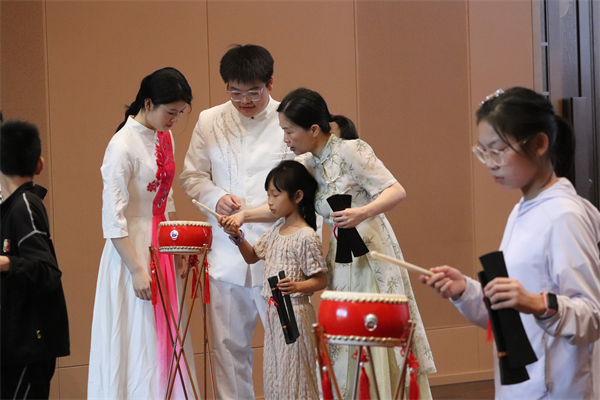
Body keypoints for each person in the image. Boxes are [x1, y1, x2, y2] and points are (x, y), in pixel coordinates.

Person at [233, 88, 435, 399]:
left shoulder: (352, 150)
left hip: (371, 252)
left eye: (290, 131)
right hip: (341, 257)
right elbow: (281, 203)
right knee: (345, 332)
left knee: (373, 325)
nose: (286, 139)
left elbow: (396, 191)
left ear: (314, 129)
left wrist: (362, 212)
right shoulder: (307, 164)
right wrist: (244, 215)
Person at [421, 87, 600, 399]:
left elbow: (592, 316)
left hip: (556, 387)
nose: (490, 163)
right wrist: (466, 291)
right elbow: (512, 312)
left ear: (540, 143)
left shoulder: (564, 215)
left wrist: (539, 303)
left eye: (498, 150)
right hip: (522, 382)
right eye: (483, 152)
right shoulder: (523, 209)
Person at [179, 44, 293, 399]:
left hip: (278, 253)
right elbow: (192, 176)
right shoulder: (210, 120)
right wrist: (216, 197)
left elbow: (305, 186)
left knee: (288, 347)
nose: (244, 101)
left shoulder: (289, 120)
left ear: (270, 83)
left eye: (253, 92)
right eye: (235, 92)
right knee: (227, 350)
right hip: (227, 256)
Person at [88, 67, 198, 399]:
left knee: (167, 328)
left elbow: (167, 196)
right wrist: (136, 269)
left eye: (180, 113)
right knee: (138, 333)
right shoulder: (121, 145)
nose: (175, 120)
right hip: (132, 247)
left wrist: (178, 241)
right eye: (171, 112)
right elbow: (112, 217)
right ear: (148, 104)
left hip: (161, 239)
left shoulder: (164, 136)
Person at [220, 160, 326, 400]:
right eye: (268, 195)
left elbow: (321, 279)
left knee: (296, 377)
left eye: (275, 195)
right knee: (274, 375)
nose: (269, 202)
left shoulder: (306, 235)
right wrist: (237, 236)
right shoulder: (277, 228)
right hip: (275, 312)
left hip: (295, 312)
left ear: (298, 196)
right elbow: (251, 256)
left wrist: (297, 286)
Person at [0, 120, 70, 400]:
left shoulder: (25, 206)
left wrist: (5, 263)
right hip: (13, 345)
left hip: (28, 345)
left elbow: (47, 271)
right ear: (39, 165)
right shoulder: (11, 208)